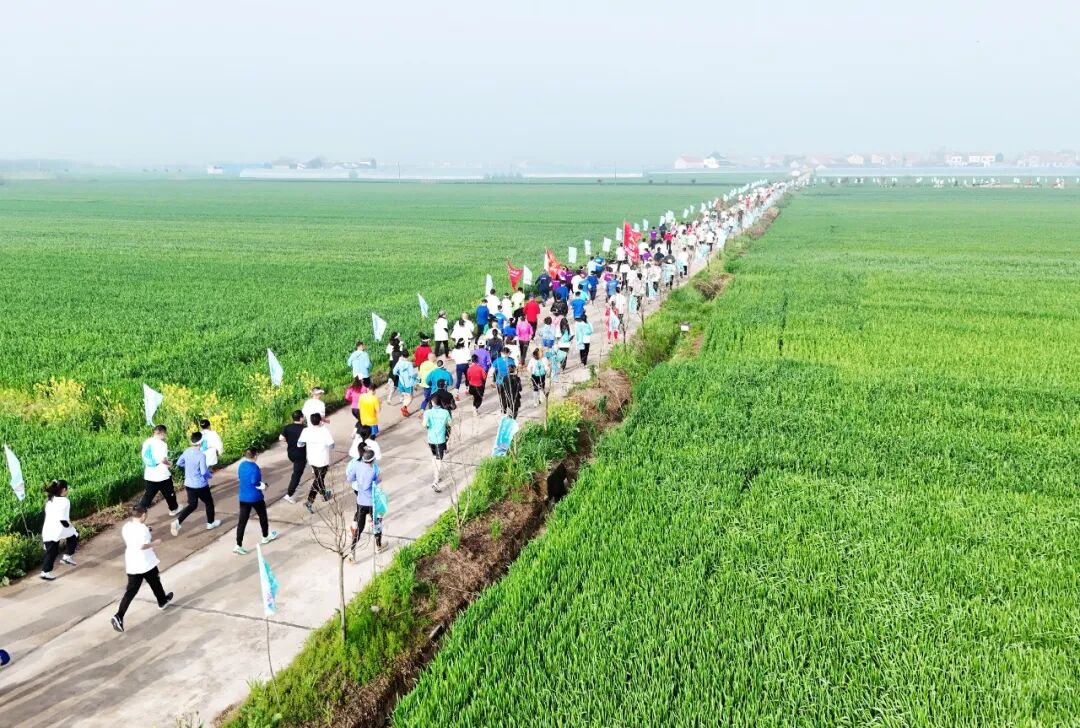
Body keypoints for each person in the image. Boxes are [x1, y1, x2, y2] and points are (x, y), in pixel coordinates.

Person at [111, 505, 173, 633]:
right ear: (143, 515)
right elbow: (142, 545)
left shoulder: (127, 526)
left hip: (132, 562)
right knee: (154, 580)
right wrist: (155, 543)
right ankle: (119, 615)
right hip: (145, 562)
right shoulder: (143, 530)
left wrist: (147, 529)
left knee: (133, 590)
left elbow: (137, 533)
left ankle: (162, 600)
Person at [171, 432, 220, 535]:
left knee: (192, 505)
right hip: (200, 485)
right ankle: (210, 523)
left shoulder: (187, 451)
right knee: (209, 503)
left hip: (189, 484)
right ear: (201, 442)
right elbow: (203, 472)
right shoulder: (201, 455)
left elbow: (179, 463)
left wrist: (189, 467)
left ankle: (178, 522)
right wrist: (209, 476)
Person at [235, 449, 278, 555]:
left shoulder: (241, 465)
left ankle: (238, 545)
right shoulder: (255, 468)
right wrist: (264, 486)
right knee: (263, 517)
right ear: (254, 456)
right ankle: (265, 536)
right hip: (255, 498)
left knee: (242, 522)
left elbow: (240, 477)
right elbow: (255, 482)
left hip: (243, 497)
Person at [348, 449, 384, 557]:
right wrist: (378, 480)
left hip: (360, 502)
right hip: (372, 503)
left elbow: (350, 478)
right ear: (373, 460)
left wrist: (359, 479)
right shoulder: (372, 471)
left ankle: (352, 552)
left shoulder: (357, 465)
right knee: (376, 524)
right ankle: (378, 546)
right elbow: (367, 486)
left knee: (359, 528)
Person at [40, 480, 78, 580]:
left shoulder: (50, 500)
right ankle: (67, 556)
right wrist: (70, 526)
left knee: (51, 552)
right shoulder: (65, 501)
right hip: (60, 528)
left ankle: (45, 572)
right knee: (74, 534)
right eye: (67, 488)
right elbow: (63, 519)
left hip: (47, 530)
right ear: (64, 489)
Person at [297, 413, 334, 513]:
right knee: (318, 480)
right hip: (323, 460)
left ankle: (324, 494)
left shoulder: (306, 431)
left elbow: (299, 444)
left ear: (310, 421)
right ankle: (309, 502)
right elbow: (332, 445)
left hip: (312, 459)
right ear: (320, 421)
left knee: (319, 479)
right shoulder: (325, 431)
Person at [140, 425, 180, 515]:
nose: (165, 435)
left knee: (148, 496)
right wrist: (170, 464)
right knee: (169, 493)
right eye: (165, 433)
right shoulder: (162, 444)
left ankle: (138, 514)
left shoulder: (147, 442)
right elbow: (163, 460)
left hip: (149, 474)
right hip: (162, 474)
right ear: (162, 433)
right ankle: (174, 509)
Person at [423, 399, 452, 492]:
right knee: (439, 459)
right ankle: (435, 482)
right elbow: (450, 423)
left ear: (432, 403)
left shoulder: (427, 412)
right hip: (440, 439)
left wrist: (429, 426)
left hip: (431, 439)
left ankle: (436, 475)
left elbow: (424, 424)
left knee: (434, 456)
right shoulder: (445, 412)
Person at [280, 410, 307, 503]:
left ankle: (295, 484)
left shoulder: (288, 427)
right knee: (296, 474)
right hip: (300, 455)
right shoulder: (304, 429)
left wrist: (289, 440)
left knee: (297, 471)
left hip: (291, 453)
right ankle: (289, 494)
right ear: (301, 418)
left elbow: (281, 438)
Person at [393, 349, 418, 417]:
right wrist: (416, 384)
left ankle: (405, 410)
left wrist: (399, 374)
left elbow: (394, 372)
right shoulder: (409, 364)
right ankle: (404, 407)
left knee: (405, 397)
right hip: (408, 383)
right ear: (408, 356)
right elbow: (412, 375)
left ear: (402, 356)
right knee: (410, 397)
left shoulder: (399, 363)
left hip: (401, 382)